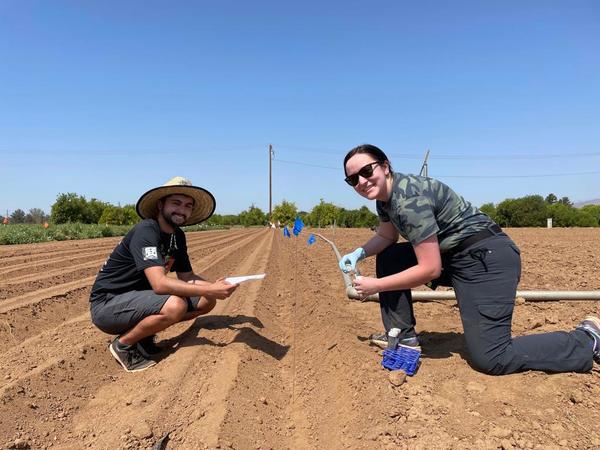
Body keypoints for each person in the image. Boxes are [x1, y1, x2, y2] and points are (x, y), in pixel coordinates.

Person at [339, 144, 600, 375]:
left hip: (486, 259)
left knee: (493, 357)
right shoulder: (385, 200)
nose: (361, 181)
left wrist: (378, 285)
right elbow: (387, 237)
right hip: (455, 256)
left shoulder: (409, 200)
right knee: (392, 256)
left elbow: (429, 269)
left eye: (366, 171)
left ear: (385, 167)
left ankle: (587, 338)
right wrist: (359, 252)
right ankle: (403, 337)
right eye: (353, 179)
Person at [89, 176, 239, 372]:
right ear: (161, 205)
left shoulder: (177, 236)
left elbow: (187, 277)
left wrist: (215, 287)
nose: (182, 210)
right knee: (176, 305)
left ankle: (143, 337)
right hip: (108, 304)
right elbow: (159, 284)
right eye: (176, 203)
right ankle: (124, 345)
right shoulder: (146, 230)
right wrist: (211, 288)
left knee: (206, 300)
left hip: (138, 300)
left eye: (187, 206)